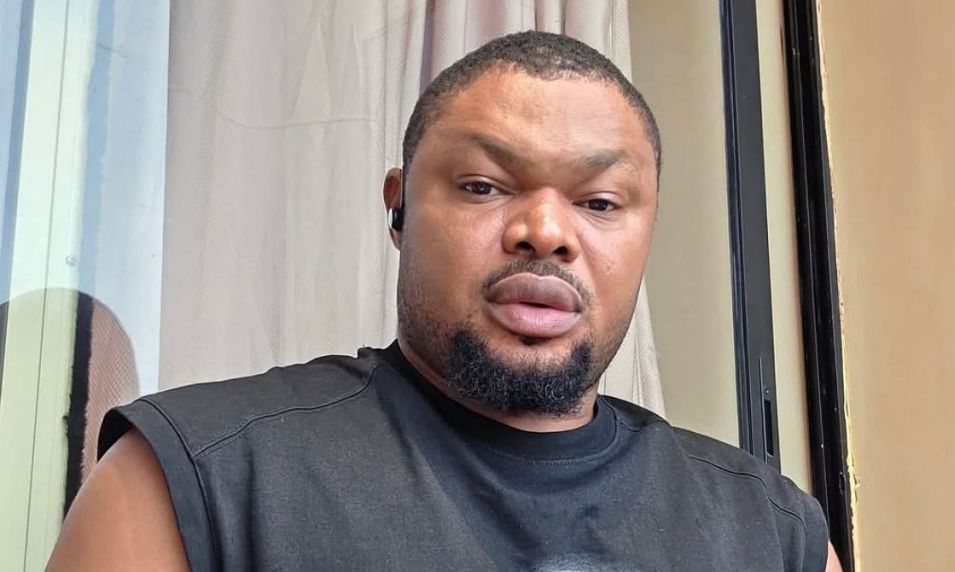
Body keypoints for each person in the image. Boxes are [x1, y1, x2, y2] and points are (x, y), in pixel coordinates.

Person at [48, 31, 842, 571]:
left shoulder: (768, 531)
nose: (545, 232)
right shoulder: (201, 478)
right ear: (399, 209)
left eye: (600, 203)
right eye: (483, 186)